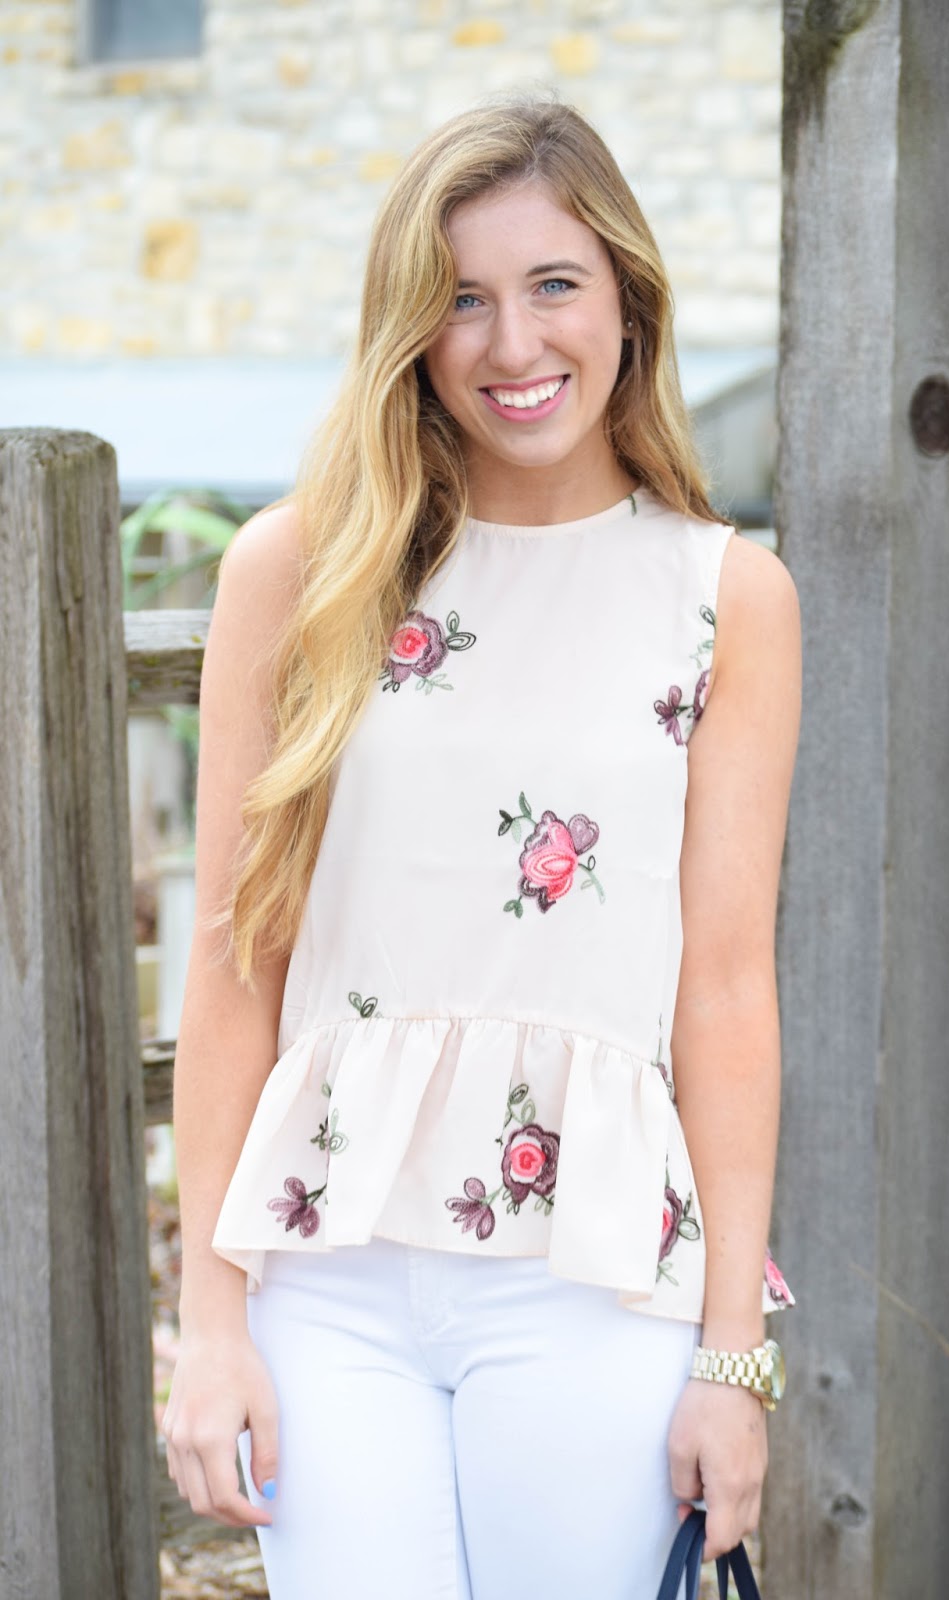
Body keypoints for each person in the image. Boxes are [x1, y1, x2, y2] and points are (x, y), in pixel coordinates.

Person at [162, 94, 802, 1600]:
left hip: (594, 1282)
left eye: (553, 284)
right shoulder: (301, 570)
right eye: (460, 299)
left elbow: (723, 990)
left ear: (628, 300)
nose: (513, 344)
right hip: (322, 1278)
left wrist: (733, 1357)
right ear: (409, 329)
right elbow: (237, 959)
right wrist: (211, 1320)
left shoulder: (726, 598)